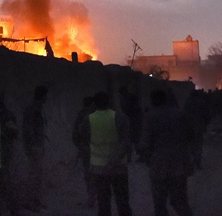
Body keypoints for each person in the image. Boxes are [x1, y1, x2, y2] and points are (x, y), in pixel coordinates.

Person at [139, 88, 194, 216]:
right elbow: (191, 136)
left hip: (158, 165)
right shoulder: (180, 115)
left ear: (153, 101)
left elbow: (145, 142)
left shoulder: (150, 117)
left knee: (159, 203)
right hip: (180, 164)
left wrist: (144, 155)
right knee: (180, 201)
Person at [77, 90, 132, 216]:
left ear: (94, 104)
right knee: (123, 201)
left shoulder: (88, 119)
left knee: (103, 202)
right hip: (118, 167)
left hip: (99, 168)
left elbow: (81, 135)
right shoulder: (120, 117)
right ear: (110, 103)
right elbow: (125, 142)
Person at [0, 91, 20, 215]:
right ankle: (7, 207)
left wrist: (2, 135)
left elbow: (13, 132)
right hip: (0, 152)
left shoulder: (2, 115)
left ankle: (9, 207)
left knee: (2, 181)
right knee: (2, 181)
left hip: (1, 152)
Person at [22, 85, 48, 211]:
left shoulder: (38, 108)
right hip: (34, 147)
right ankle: (30, 202)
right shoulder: (32, 108)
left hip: (38, 145)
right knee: (33, 176)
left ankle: (36, 201)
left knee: (38, 175)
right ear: (42, 95)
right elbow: (28, 129)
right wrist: (33, 146)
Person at [72, 95, 97, 208]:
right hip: (92, 149)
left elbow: (75, 134)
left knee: (89, 174)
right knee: (93, 174)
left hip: (86, 148)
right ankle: (92, 197)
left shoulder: (82, 115)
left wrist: (80, 146)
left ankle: (91, 197)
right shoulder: (91, 116)